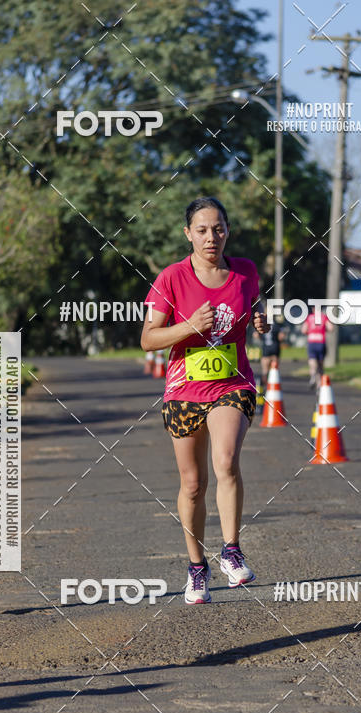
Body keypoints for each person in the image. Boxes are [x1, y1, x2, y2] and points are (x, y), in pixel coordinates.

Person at [141, 197, 269, 604]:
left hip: (232, 384)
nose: (211, 237)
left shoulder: (245, 271)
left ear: (227, 231)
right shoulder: (171, 278)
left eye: (218, 229)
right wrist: (188, 326)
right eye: (202, 230)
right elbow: (148, 339)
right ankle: (197, 568)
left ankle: (231, 550)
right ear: (188, 234)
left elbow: (254, 304)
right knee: (193, 484)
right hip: (184, 390)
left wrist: (261, 318)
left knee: (226, 461)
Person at [301, 308, 333, 390]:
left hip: (312, 341)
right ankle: (319, 385)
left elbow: (303, 330)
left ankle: (313, 375)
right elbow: (331, 328)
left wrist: (310, 331)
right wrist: (323, 329)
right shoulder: (324, 317)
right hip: (321, 342)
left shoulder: (309, 317)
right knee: (320, 365)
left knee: (312, 362)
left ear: (313, 309)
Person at [260, 316, 285, 385]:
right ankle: (272, 385)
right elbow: (281, 337)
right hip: (275, 348)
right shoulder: (277, 325)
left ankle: (263, 386)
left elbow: (256, 335)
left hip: (266, 348)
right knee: (274, 369)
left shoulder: (262, 323)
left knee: (265, 370)